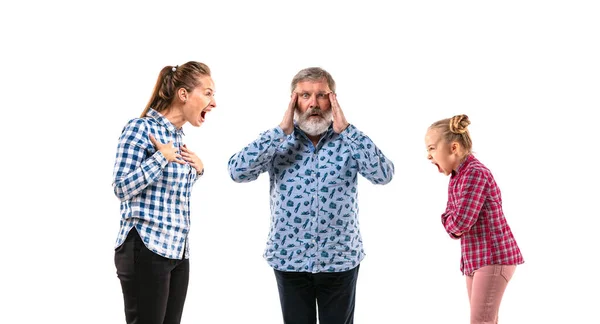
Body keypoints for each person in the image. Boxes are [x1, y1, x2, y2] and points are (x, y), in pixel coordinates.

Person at [228, 67, 394, 324]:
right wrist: (279, 131)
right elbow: (237, 171)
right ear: (293, 101)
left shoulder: (348, 140)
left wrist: (347, 129)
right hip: (289, 258)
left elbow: (383, 174)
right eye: (305, 95)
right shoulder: (277, 141)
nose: (313, 103)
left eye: (321, 95)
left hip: (339, 260)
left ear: (333, 99)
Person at [112, 61, 216, 324]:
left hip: (177, 251)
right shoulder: (140, 128)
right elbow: (121, 187)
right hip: (145, 247)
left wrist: (198, 170)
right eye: (207, 93)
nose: (213, 103)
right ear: (183, 94)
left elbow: (166, 194)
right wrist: (160, 158)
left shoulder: (178, 137)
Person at [424, 114, 524, 324]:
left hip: (492, 257)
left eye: (432, 148)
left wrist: (448, 220)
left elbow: (459, 223)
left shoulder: (474, 174)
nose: (428, 156)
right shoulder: (458, 177)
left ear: (453, 148)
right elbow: (454, 222)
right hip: (476, 260)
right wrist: (451, 220)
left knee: (481, 321)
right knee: (486, 320)